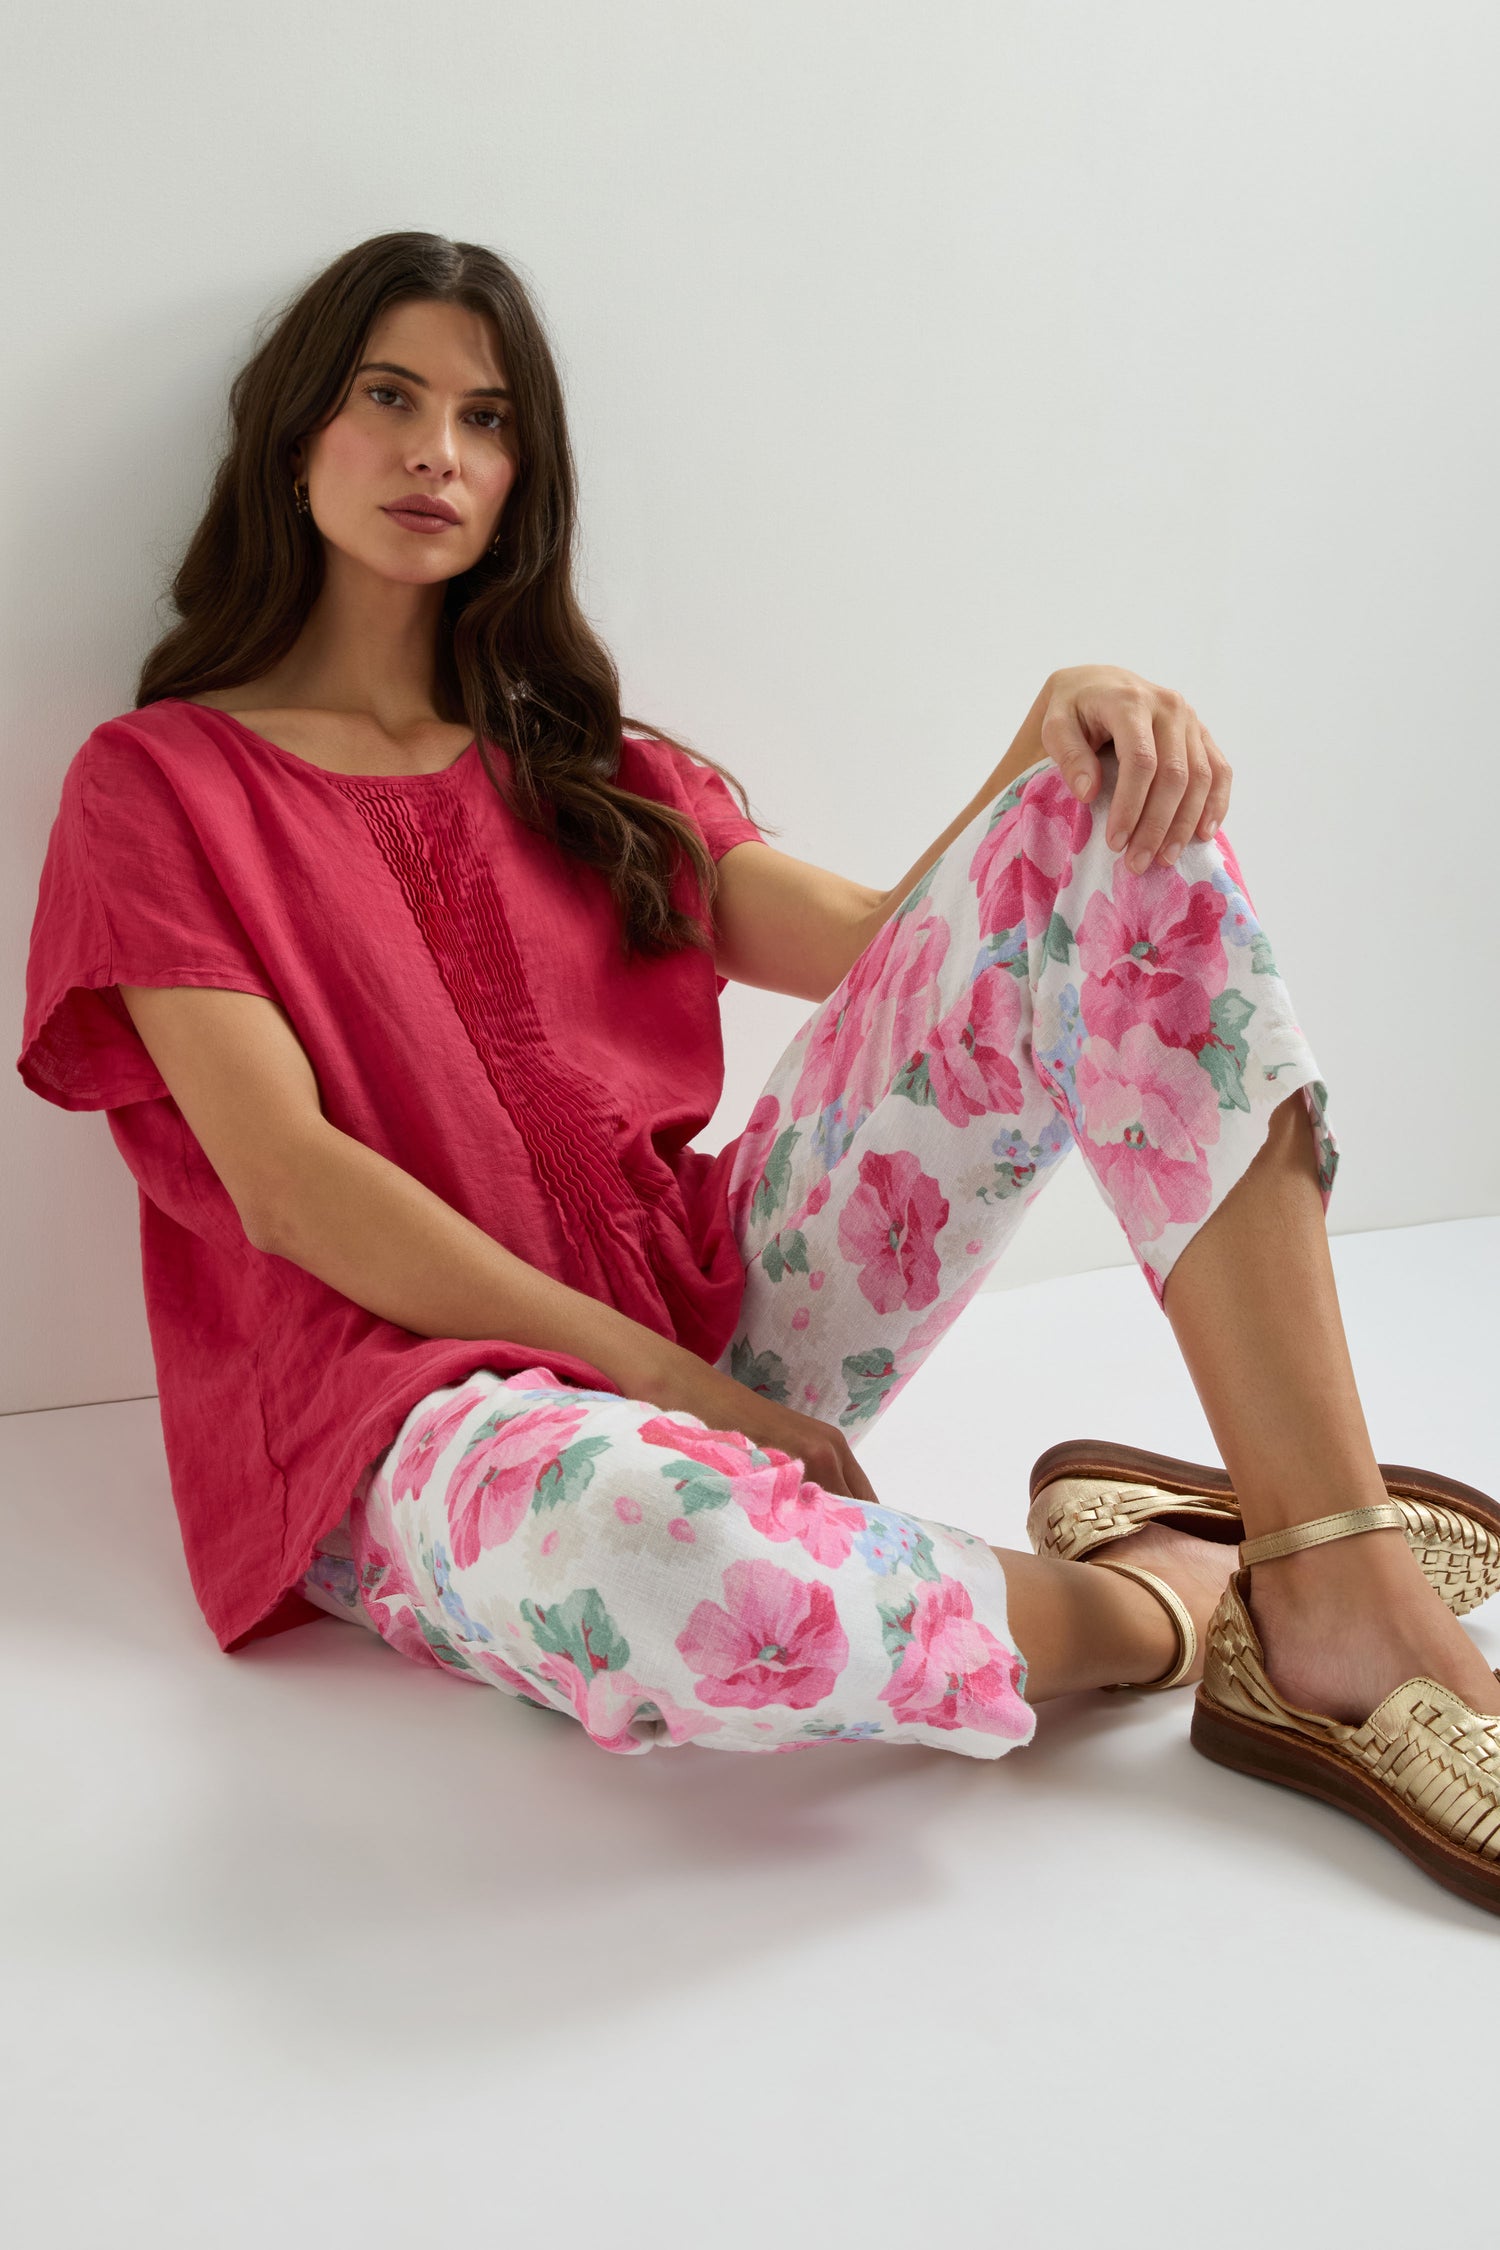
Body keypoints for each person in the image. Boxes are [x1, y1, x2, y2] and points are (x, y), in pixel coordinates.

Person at [17, 231, 1500, 1913]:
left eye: (487, 419)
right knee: (654, 1553)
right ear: (297, 439)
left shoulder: (583, 766)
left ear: (521, 481)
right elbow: (283, 1182)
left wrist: (1047, 745)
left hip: (715, 1299)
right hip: (417, 1418)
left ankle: (1336, 1556)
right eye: (389, 397)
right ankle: (1179, 1599)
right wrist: (689, 1396)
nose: (440, 450)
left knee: (1112, 848)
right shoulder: (156, 785)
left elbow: (908, 946)